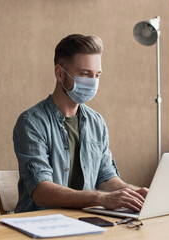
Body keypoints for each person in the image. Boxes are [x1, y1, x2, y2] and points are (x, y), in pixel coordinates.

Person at [13, 34, 148, 213]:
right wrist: (101, 198)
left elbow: (105, 177)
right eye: (85, 74)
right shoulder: (31, 122)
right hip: (41, 225)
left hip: (84, 222)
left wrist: (134, 193)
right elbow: (41, 192)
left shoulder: (96, 122)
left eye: (97, 75)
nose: (92, 82)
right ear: (60, 73)